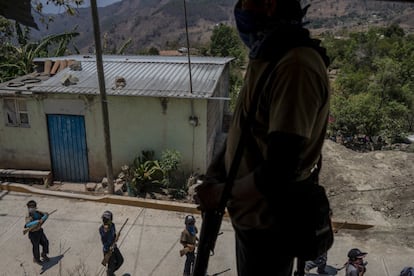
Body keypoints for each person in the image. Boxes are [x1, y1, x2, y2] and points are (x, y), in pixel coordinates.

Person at [194, 0, 331, 275]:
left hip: (269, 227)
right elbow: (246, 130)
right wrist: (216, 171)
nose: (240, 7)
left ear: (269, 4)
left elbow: (279, 171)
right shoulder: (269, 56)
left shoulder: (295, 66)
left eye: (246, 1)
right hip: (251, 218)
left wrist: (219, 195)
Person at [24, 200, 50, 265]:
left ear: (35, 207)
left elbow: (45, 214)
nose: (31, 209)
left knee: (45, 242)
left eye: (32, 207)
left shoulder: (38, 212)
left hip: (40, 231)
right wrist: (37, 221)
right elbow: (28, 224)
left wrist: (44, 217)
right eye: (30, 207)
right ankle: (36, 259)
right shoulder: (28, 216)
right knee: (36, 247)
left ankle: (44, 254)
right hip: (33, 234)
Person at [99, 210, 124, 276]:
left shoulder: (112, 225)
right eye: (104, 220)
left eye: (106, 220)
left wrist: (117, 237)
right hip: (108, 251)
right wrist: (106, 231)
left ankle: (110, 272)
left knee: (120, 260)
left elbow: (114, 236)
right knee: (111, 267)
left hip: (114, 247)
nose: (105, 221)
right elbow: (104, 241)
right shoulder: (101, 229)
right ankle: (110, 272)